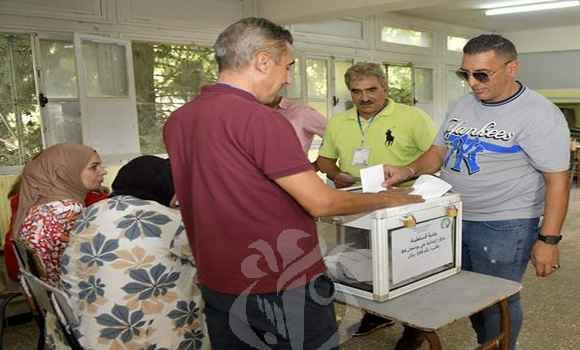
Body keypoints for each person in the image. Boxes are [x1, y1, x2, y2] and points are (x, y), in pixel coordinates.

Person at [164, 17, 423, 350]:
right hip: (281, 279)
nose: (287, 80)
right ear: (262, 61)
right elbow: (322, 202)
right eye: (287, 67)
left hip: (217, 278)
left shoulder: (180, 119)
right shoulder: (261, 119)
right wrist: (388, 200)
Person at [384, 34, 570, 350]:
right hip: (454, 216)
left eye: (481, 74)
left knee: (497, 298)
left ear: (512, 68)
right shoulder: (466, 103)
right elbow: (438, 151)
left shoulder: (539, 114)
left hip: (505, 223)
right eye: (465, 74)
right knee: (468, 294)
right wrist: (407, 171)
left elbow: (558, 180)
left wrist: (548, 240)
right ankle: (487, 341)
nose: (472, 83)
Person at [316, 62, 437, 341]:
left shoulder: (412, 117)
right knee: (364, 265)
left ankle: (415, 328)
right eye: (357, 92)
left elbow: (435, 156)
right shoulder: (339, 121)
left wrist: (407, 172)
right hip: (355, 206)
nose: (365, 97)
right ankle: (375, 315)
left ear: (385, 88)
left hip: (401, 204)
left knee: (407, 267)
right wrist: (337, 175)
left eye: (372, 90)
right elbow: (324, 160)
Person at [60, 155, 209, 350]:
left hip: (88, 334)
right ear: (163, 184)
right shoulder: (169, 220)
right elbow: (216, 261)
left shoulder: (90, 212)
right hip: (147, 339)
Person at [14, 143, 106, 286]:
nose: (103, 171)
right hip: (69, 295)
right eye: (94, 167)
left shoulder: (42, 206)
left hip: (51, 297)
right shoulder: (68, 210)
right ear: (64, 172)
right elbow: (93, 265)